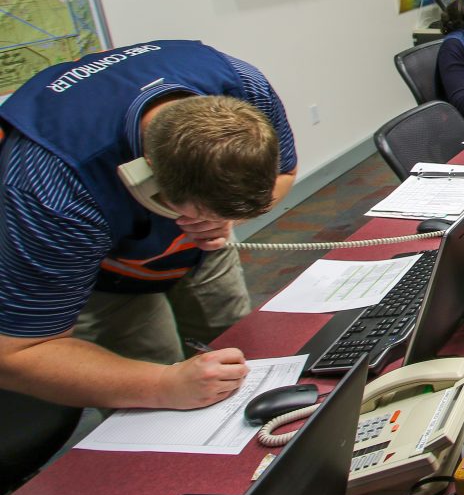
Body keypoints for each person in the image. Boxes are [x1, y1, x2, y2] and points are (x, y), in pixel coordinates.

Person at [0, 40, 298, 410]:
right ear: (142, 177)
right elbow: (16, 354)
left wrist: (224, 219)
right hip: (98, 268)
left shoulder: (241, 84)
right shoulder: (49, 188)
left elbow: (284, 173)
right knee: (151, 370)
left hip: (198, 249)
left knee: (238, 343)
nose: (208, 224)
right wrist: (160, 383)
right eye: (195, 214)